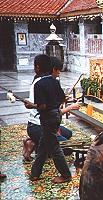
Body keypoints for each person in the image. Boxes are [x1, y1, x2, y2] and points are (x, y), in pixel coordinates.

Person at [23, 56, 79, 161]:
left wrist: (65, 99)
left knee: (68, 134)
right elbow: (46, 108)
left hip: (48, 123)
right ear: (52, 69)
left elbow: (56, 101)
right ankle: (34, 144)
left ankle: (38, 143)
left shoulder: (50, 82)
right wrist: (70, 108)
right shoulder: (41, 84)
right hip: (39, 125)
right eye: (58, 70)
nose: (59, 73)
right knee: (66, 149)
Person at [28, 54, 72, 183]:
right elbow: (62, 99)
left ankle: (66, 175)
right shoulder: (54, 81)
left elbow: (42, 106)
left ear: (37, 67)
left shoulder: (39, 84)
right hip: (56, 116)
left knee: (54, 147)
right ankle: (35, 173)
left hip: (47, 118)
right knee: (43, 144)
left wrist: (31, 105)